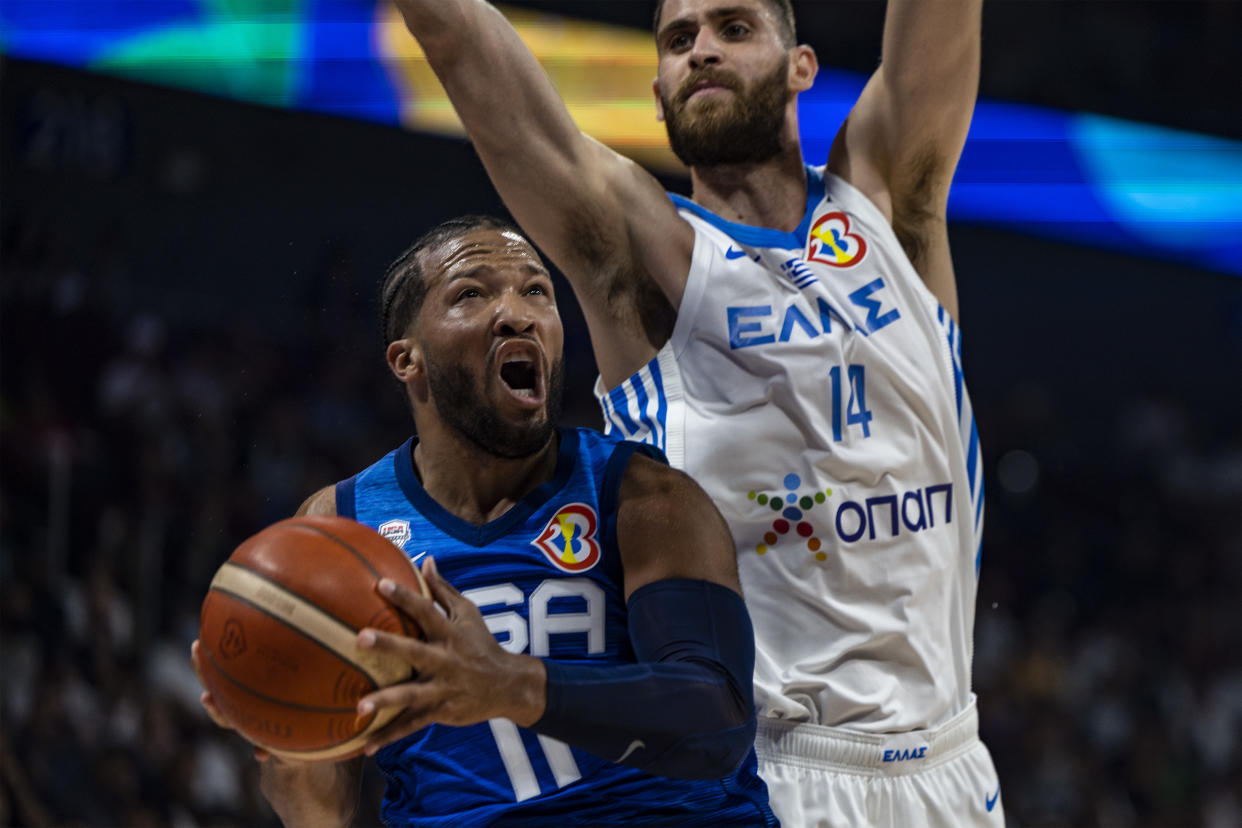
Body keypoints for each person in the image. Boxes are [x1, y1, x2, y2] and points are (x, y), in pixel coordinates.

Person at [386, 0, 1000, 825]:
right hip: (766, 774)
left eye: (734, 28)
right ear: (658, 90)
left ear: (801, 66)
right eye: (679, 41)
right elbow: (458, 38)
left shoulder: (895, 208)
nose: (702, 51)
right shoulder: (648, 261)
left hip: (951, 762)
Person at [192, 215, 777, 826]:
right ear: (406, 360)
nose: (518, 313)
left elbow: (720, 720)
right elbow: (325, 813)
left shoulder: (643, 496)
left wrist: (509, 685)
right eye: (472, 293)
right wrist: (283, 739)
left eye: (536, 292)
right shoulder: (342, 524)